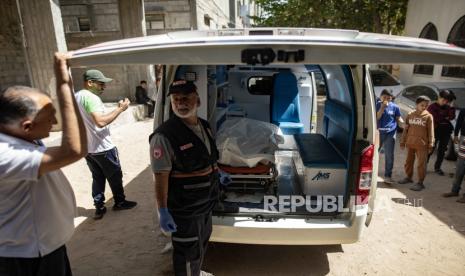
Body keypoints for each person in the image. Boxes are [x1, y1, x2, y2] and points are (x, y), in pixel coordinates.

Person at [0, 53, 87, 275]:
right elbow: (74, 150)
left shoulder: (22, 138)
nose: (56, 122)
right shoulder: (5, 154)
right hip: (26, 255)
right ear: (27, 126)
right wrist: (64, 86)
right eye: (50, 117)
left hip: (45, 247)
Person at [149, 80, 222, 276]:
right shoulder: (164, 136)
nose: (181, 103)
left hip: (205, 204)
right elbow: (160, 176)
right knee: (187, 253)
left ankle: (196, 273)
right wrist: (162, 210)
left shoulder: (204, 126)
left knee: (202, 243)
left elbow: (208, 158)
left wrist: (218, 174)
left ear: (197, 100)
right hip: (184, 210)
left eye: (186, 98)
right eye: (176, 99)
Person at [75, 69, 137, 220]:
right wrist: (120, 109)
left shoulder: (77, 96)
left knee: (97, 178)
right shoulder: (92, 98)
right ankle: (120, 202)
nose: (104, 87)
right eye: (101, 84)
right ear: (90, 82)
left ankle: (99, 207)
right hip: (103, 147)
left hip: (88, 149)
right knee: (115, 176)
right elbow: (100, 121)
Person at [398, 96, 435, 191]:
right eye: (422, 105)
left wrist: (431, 143)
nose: (424, 107)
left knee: (421, 164)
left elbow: (431, 131)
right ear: (416, 104)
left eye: (426, 106)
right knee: (408, 162)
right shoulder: (410, 115)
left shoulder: (428, 116)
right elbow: (406, 130)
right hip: (410, 143)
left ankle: (420, 182)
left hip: (422, 145)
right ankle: (408, 177)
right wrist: (402, 141)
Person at [376, 89, 404, 183]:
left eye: (389, 98)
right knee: (375, 154)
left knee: (389, 155)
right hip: (378, 132)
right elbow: (377, 117)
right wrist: (382, 108)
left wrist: (403, 124)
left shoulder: (395, 107)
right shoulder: (376, 105)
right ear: (380, 97)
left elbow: (398, 118)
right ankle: (373, 173)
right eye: (385, 97)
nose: (387, 100)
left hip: (390, 133)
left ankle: (388, 176)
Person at [427, 89, 456, 175]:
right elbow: (436, 118)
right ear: (439, 97)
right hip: (434, 131)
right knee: (430, 149)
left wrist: (451, 107)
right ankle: (424, 165)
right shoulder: (432, 107)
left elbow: (451, 117)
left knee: (442, 151)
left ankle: (437, 168)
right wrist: (445, 117)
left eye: (447, 101)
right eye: (443, 100)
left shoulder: (448, 107)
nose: (444, 102)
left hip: (446, 131)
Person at [443, 108, 465, 203]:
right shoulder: (464, 110)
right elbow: (459, 122)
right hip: (463, 139)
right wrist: (456, 135)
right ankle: (454, 191)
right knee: (460, 167)